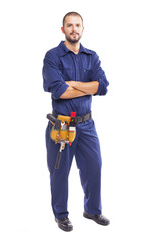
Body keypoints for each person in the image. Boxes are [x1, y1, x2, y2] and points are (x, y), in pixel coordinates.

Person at [42, 12, 110, 232]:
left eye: (77, 25)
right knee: (60, 171)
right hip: (62, 124)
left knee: (94, 166)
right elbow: (59, 91)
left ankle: (92, 210)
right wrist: (87, 85)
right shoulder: (53, 56)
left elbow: (102, 87)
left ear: (83, 28)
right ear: (63, 29)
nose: (74, 29)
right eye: (69, 25)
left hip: (87, 125)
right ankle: (61, 215)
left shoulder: (91, 56)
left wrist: (73, 83)